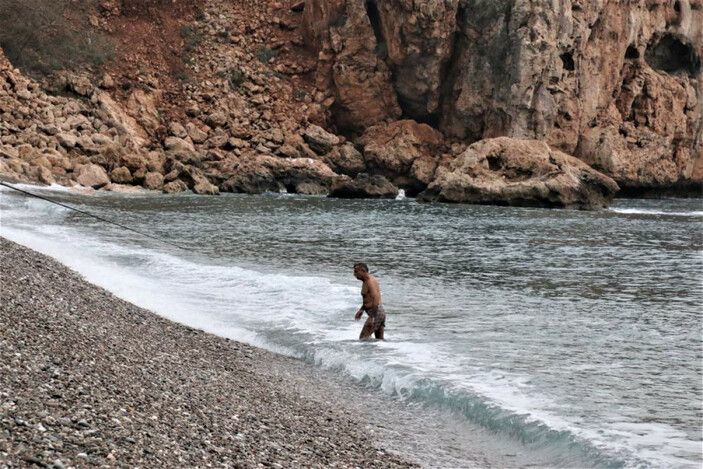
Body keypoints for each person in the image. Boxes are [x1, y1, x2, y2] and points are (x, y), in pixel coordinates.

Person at [353, 262, 386, 340]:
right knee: (379, 340)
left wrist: (372, 317)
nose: (354, 274)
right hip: (379, 312)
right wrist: (361, 310)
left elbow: (376, 298)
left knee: (363, 339)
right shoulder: (366, 281)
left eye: (356, 271)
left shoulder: (369, 281)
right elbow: (368, 298)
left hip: (376, 313)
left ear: (363, 271)